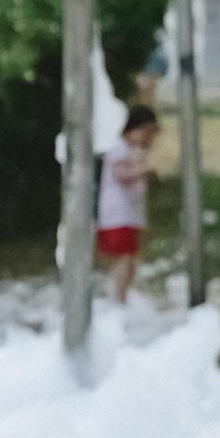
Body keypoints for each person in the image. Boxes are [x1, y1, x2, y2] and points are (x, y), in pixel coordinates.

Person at [97, 102, 159, 299]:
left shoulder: (129, 149)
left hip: (129, 213)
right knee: (122, 259)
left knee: (129, 259)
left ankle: (122, 296)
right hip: (117, 214)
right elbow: (121, 175)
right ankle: (118, 297)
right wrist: (144, 170)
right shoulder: (118, 148)